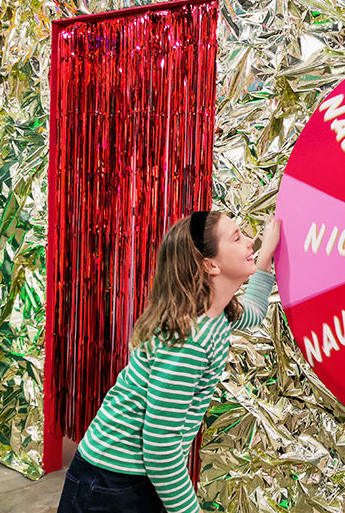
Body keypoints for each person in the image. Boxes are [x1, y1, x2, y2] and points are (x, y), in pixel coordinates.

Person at [57, 211, 281, 513]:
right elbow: (160, 450)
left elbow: (254, 311)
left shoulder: (217, 316)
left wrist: (266, 255)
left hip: (136, 478)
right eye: (238, 237)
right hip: (109, 483)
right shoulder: (189, 340)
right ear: (211, 265)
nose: (250, 243)